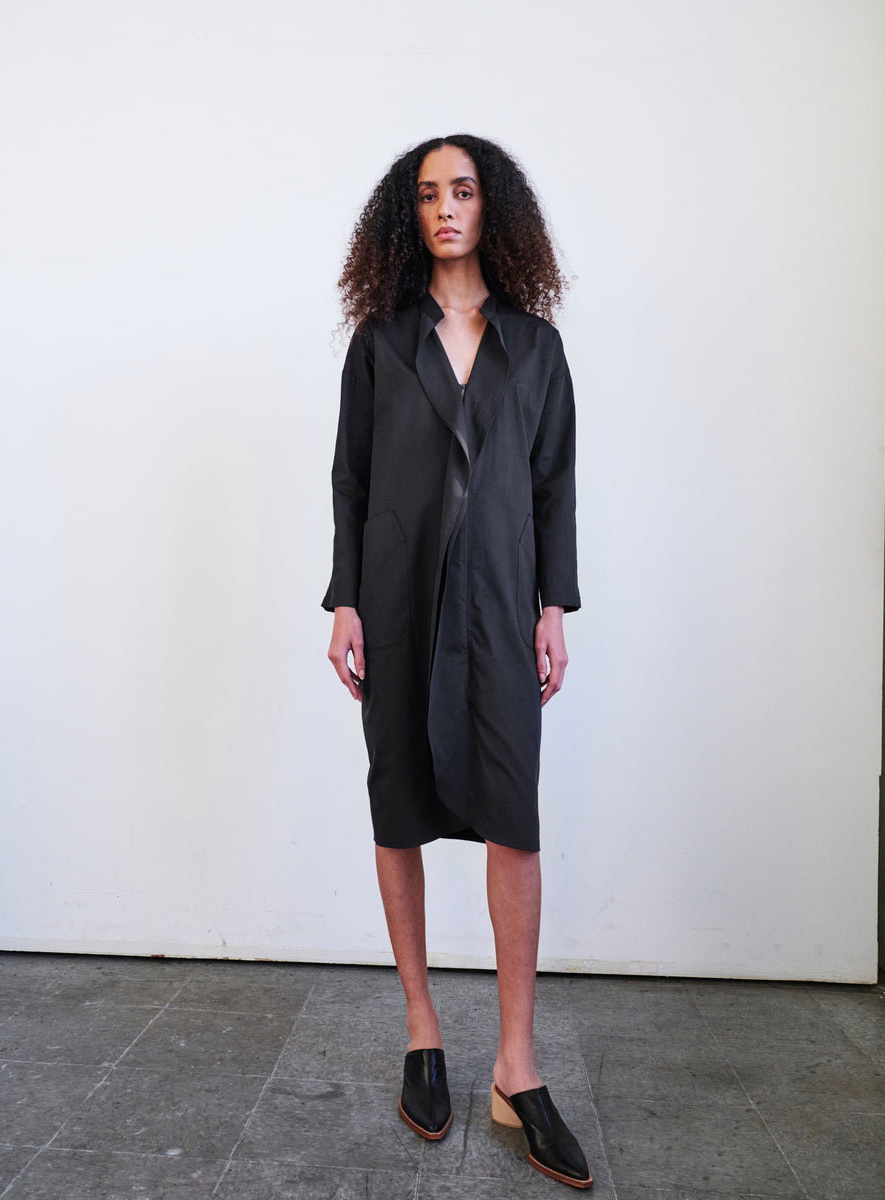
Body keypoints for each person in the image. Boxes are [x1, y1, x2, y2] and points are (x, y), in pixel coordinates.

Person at [323, 134, 591, 1189]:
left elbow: (555, 484)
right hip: (394, 601)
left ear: (495, 208)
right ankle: (423, 1031)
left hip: (497, 601)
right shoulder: (380, 342)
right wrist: (345, 596)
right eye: (429, 194)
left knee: (510, 822)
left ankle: (515, 1066)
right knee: (399, 804)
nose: (446, 209)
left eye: (464, 191)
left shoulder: (537, 346)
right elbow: (348, 477)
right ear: (408, 213)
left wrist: (553, 605)